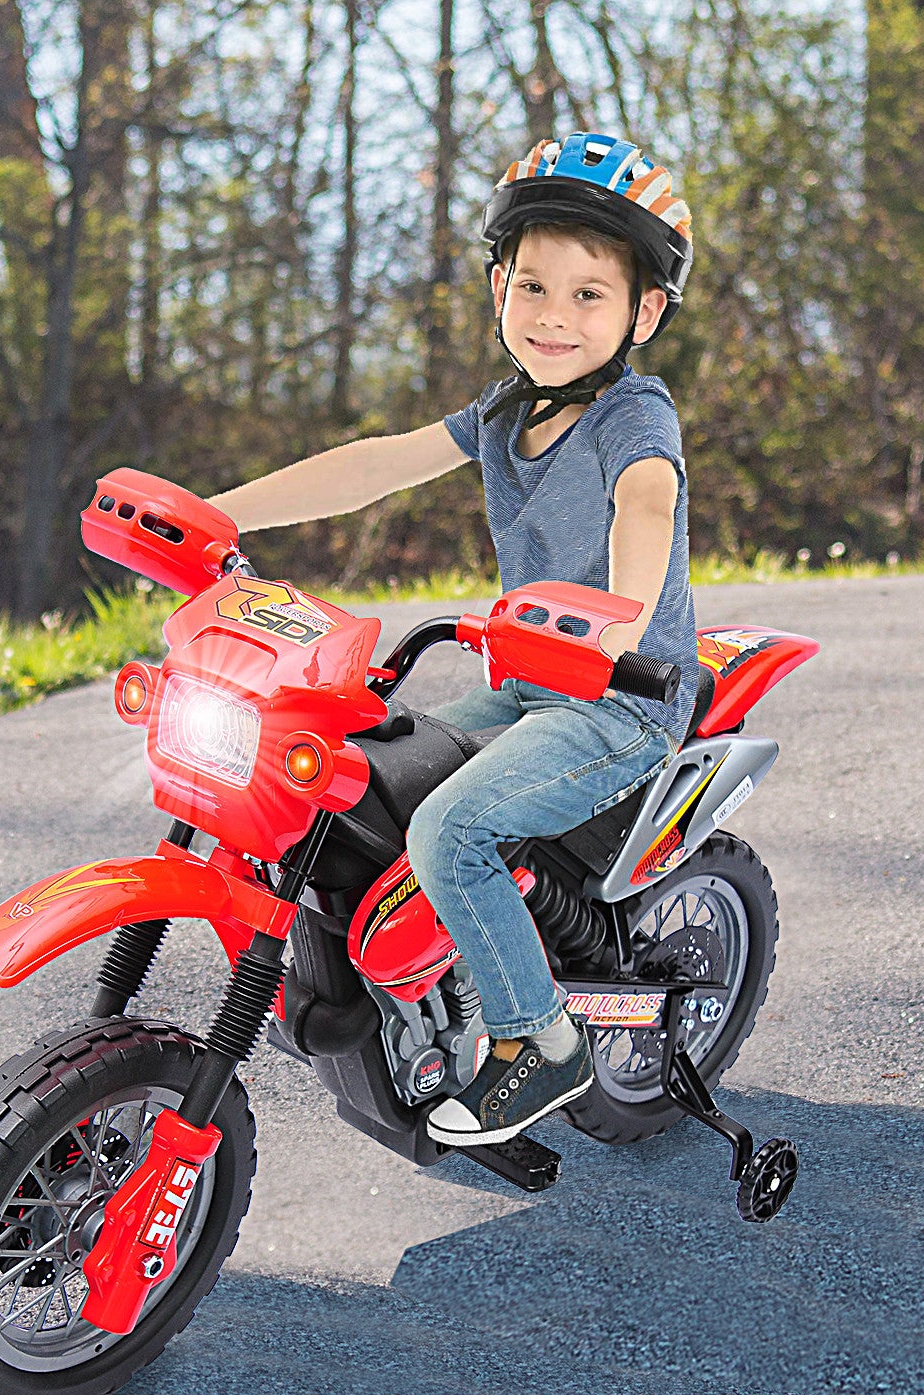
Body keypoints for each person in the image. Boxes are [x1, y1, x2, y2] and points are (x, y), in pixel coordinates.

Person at [210, 132, 699, 1146]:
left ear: (644, 313)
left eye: (589, 295)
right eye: (533, 287)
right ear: (498, 290)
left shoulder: (632, 415)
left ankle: (542, 1042)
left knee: (450, 829)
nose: (553, 316)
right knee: (355, 781)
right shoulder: (506, 412)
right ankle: (405, 993)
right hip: (529, 687)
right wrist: (218, 514)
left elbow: (646, 502)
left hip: (620, 700)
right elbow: (374, 464)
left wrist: (620, 617)